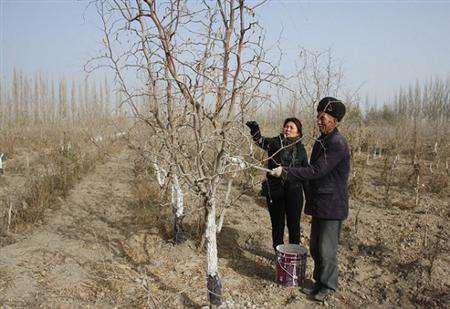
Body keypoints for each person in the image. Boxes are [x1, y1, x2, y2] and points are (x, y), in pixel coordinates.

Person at [269, 97, 350, 302]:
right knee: (315, 247)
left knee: (326, 249)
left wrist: (286, 172)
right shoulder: (322, 141)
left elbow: (317, 170)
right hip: (320, 204)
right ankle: (318, 282)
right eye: (318, 116)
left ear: (334, 120)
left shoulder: (337, 143)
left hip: (332, 205)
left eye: (323, 117)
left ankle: (328, 286)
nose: (319, 120)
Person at [245, 118, 308, 253]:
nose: (288, 129)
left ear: (298, 132)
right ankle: (278, 255)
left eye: (291, 127)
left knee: (294, 226)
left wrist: (310, 195)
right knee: (277, 225)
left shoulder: (301, 150)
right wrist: (255, 130)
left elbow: (305, 173)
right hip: (275, 190)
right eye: (286, 126)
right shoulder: (275, 142)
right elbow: (260, 141)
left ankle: (293, 255)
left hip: (294, 192)